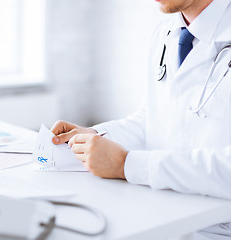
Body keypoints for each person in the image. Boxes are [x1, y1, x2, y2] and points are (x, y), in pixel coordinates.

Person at [51, 0, 231, 239]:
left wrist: (126, 164)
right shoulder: (165, 33)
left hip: (217, 227)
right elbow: (151, 120)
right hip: (166, 210)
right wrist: (94, 136)